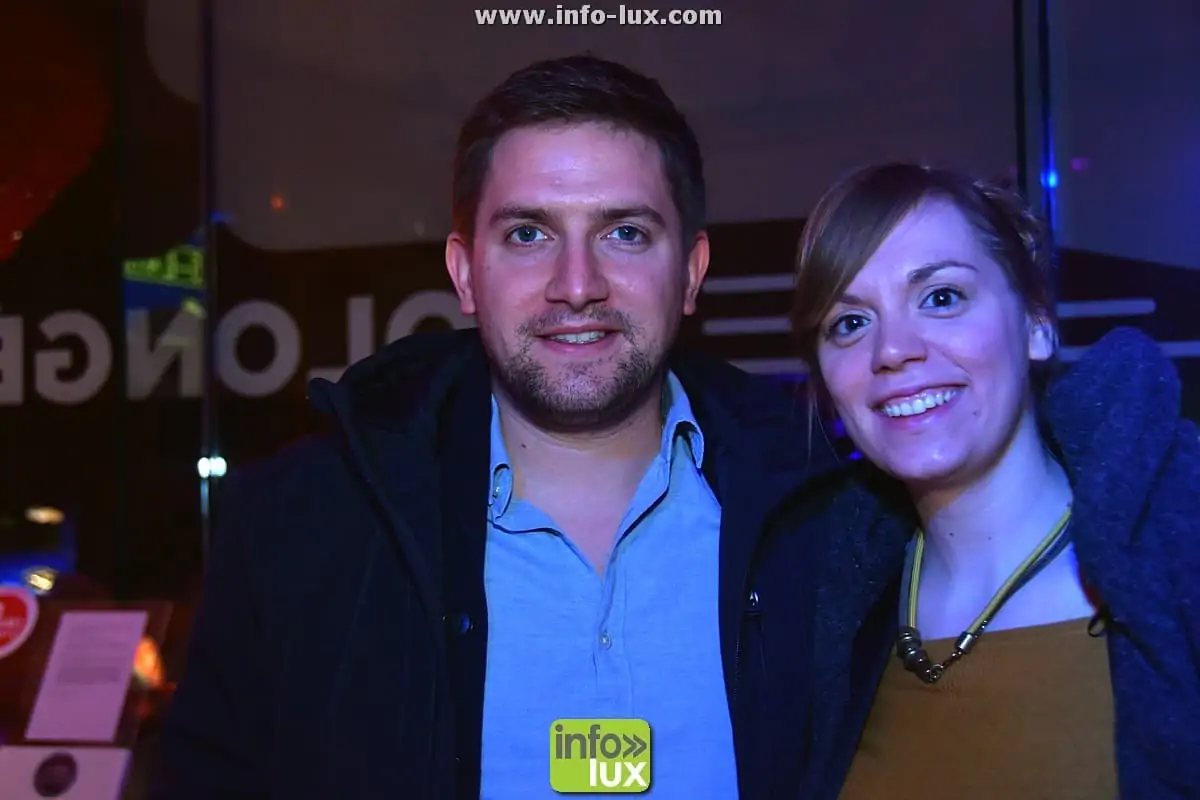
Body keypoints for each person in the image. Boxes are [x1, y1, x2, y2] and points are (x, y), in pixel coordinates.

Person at [149, 56, 904, 799]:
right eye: (528, 235)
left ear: (691, 272)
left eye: (625, 233)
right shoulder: (303, 533)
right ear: (465, 273)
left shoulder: (832, 526)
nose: (576, 285)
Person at [789, 162, 1200, 798]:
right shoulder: (829, 616)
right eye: (850, 322)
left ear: (1036, 324)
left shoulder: (1177, 562)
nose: (892, 350)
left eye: (941, 297)